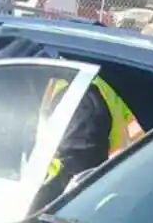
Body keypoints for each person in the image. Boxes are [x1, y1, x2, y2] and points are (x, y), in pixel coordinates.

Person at [32, 71, 144, 209]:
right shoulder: (76, 79)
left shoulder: (79, 98)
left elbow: (76, 174)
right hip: (130, 180)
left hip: (112, 197)